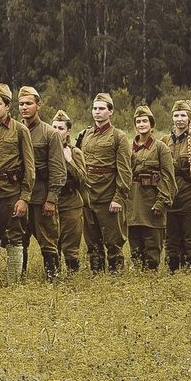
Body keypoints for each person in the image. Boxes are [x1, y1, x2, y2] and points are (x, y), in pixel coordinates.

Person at [0, 83, 38, 284]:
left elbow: (29, 167)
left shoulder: (20, 130)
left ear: (8, 105)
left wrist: (24, 198)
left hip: (12, 192)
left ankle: (14, 282)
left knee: (15, 238)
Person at [16, 85, 69, 279]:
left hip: (41, 195)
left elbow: (58, 169)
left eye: (29, 103)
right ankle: (18, 279)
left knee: (48, 240)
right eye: (21, 104)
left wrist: (52, 199)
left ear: (38, 105)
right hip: (20, 196)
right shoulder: (16, 131)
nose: (24, 107)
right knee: (18, 241)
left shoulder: (49, 133)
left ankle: (52, 278)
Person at [74, 94, 132, 272]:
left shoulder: (118, 136)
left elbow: (124, 170)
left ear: (110, 111)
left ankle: (116, 281)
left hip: (108, 198)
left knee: (113, 244)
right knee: (92, 245)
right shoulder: (85, 135)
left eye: (101, 109)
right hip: (88, 198)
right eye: (94, 108)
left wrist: (119, 197)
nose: (97, 112)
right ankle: (97, 278)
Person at [164, 102, 191, 271]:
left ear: (190, 118)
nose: (179, 119)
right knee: (170, 242)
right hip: (170, 202)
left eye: (183, 115)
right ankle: (172, 275)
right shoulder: (165, 141)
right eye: (176, 115)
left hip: (189, 202)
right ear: (172, 118)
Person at [124, 105, 169, 271]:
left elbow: (168, 178)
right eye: (138, 121)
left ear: (151, 124)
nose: (141, 124)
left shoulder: (160, 148)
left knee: (152, 249)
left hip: (152, 204)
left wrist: (161, 203)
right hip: (132, 204)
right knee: (135, 249)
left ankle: (151, 279)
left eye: (145, 121)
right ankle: (139, 280)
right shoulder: (128, 148)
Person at [44, 104, 88, 274]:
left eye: (60, 128)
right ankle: (53, 278)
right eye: (53, 127)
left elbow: (83, 179)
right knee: (51, 244)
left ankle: (72, 280)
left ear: (68, 131)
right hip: (51, 202)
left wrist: (69, 161)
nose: (56, 131)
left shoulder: (74, 152)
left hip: (70, 204)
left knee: (70, 247)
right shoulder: (46, 151)